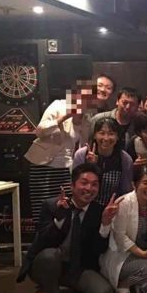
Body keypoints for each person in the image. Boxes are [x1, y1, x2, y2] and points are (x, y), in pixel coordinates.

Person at [16, 163, 116, 293]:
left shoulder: (98, 211)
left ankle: (72, 287)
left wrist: (105, 224)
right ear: (72, 185)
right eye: (84, 183)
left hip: (76, 266)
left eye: (94, 184)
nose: (89, 188)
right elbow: (42, 241)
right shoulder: (52, 205)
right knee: (50, 256)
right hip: (46, 263)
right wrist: (60, 218)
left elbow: (98, 250)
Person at [25, 82, 97, 225]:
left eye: (89, 98)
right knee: (42, 209)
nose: (84, 101)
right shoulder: (58, 105)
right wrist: (65, 116)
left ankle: (60, 238)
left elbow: (82, 147)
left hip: (66, 170)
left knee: (63, 210)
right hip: (43, 166)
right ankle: (42, 238)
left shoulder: (87, 120)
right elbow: (40, 131)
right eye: (81, 96)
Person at [73, 117, 133, 206]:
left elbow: (126, 192)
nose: (106, 138)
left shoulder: (125, 159)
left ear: (117, 137)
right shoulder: (82, 154)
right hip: (85, 206)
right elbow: (75, 185)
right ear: (94, 135)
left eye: (111, 134)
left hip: (111, 208)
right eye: (102, 133)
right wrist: (90, 166)